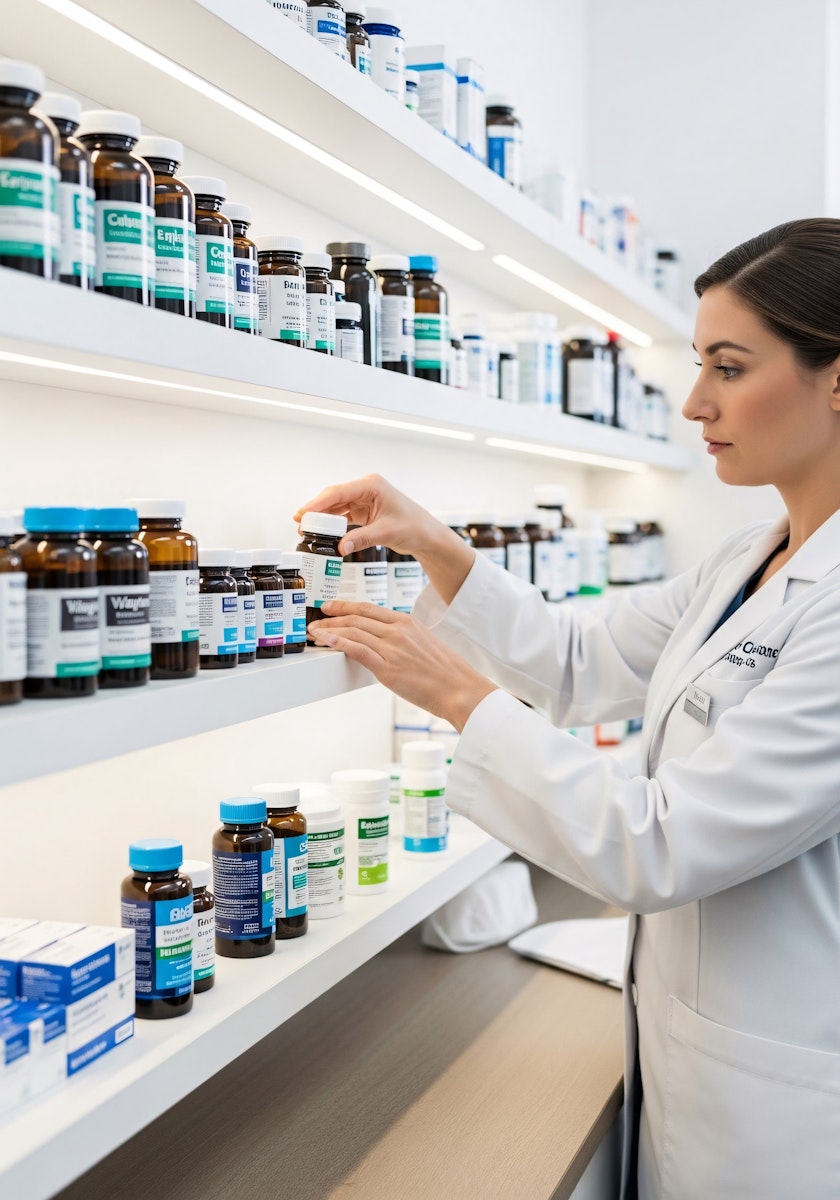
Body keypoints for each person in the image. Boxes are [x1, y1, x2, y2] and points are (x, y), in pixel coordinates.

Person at [295, 218, 840, 1200]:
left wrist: (456, 695)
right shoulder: (750, 556)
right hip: (691, 1056)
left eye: (727, 366)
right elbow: (585, 662)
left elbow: (662, 846)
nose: (693, 403)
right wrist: (437, 546)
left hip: (788, 1111)